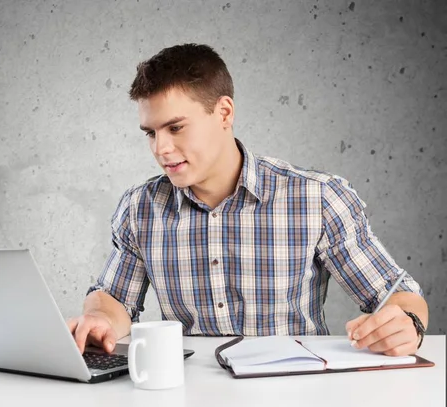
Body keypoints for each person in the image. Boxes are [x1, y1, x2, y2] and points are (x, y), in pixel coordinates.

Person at [66, 43, 428, 357]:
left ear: (224, 112)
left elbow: (398, 296)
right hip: (189, 393)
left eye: (175, 128)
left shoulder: (317, 197)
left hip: (294, 392)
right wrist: (98, 319)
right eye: (151, 133)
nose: (161, 148)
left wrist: (405, 323)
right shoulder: (140, 209)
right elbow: (113, 299)